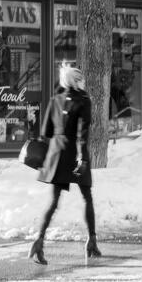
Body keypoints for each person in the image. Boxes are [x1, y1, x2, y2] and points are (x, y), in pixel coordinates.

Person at [29, 64, 101, 264]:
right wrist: (82, 157)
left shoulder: (55, 99)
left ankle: (39, 241)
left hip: (56, 154)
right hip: (75, 154)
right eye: (81, 79)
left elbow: (46, 131)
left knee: (53, 201)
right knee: (87, 197)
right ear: (77, 81)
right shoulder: (84, 100)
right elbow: (83, 132)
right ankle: (92, 241)